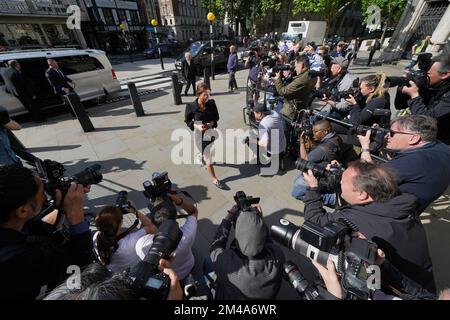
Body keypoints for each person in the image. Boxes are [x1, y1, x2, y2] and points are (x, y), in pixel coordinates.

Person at [302, 160, 436, 293]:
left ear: (361, 194)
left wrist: (313, 188)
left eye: (342, 181)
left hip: (394, 291)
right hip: (424, 285)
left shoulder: (352, 218)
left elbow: (314, 220)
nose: (339, 182)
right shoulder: (402, 203)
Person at [0, 165, 93, 299]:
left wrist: (62, 207)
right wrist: (76, 215)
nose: (46, 196)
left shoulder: (10, 223)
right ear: (22, 211)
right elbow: (82, 269)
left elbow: (38, 233)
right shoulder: (21, 263)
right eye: (43, 193)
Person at [358, 115, 450, 214]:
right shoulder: (440, 147)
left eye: (392, 133)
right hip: (414, 205)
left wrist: (365, 148)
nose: (388, 135)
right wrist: (382, 146)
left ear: (414, 138)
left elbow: (366, 180)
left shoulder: (412, 162)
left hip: (389, 214)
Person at [208, 204, 285, 299]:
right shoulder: (277, 256)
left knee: (207, 263)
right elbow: (268, 242)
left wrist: (228, 218)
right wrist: (259, 221)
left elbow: (215, 247)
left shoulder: (227, 263)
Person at [135, 192, 198, 282]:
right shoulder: (188, 232)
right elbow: (194, 212)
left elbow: (147, 229)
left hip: (167, 277)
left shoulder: (141, 245)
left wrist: (138, 213)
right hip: (188, 267)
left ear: (152, 223)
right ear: (176, 216)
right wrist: (179, 201)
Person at [401, 53, 450, 144]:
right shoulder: (434, 85)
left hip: (439, 143)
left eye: (427, 74)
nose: (423, 76)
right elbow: (399, 105)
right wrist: (404, 86)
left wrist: (414, 96)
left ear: (445, 74)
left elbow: (425, 120)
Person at [291, 120, 343, 204]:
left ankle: (332, 198)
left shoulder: (323, 149)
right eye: (312, 131)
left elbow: (304, 159)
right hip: (327, 170)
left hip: (320, 175)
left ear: (326, 131)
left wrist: (301, 141)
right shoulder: (335, 137)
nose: (313, 134)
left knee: (296, 193)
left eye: (315, 132)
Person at [93, 203, 155, 273]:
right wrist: (136, 212)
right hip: (135, 270)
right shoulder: (132, 239)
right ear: (120, 223)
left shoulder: (97, 237)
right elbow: (153, 228)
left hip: (114, 273)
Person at [184, 83, 225, 189]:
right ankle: (215, 179)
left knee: (208, 150)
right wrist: (196, 126)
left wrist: (211, 124)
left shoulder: (211, 103)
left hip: (210, 132)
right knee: (208, 157)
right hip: (199, 135)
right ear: (198, 94)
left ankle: (200, 156)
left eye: (208, 94)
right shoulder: (191, 106)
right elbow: (188, 121)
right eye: (205, 95)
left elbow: (216, 117)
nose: (207, 97)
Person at [274, 54, 313, 120]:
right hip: (291, 108)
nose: (295, 69)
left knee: (278, 129)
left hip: (289, 113)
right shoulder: (307, 74)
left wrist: (277, 79)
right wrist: (289, 75)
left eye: (296, 66)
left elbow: (282, 91)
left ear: (301, 65)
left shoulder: (302, 79)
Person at [251, 103, 286, 173]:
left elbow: (264, 143)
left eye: (255, 113)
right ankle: (281, 158)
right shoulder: (275, 113)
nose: (254, 115)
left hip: (273, 150)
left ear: (260, 113)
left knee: (254, 140)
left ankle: (260, 160)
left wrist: (252, 141)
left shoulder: (263, 124)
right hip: (283, 145)